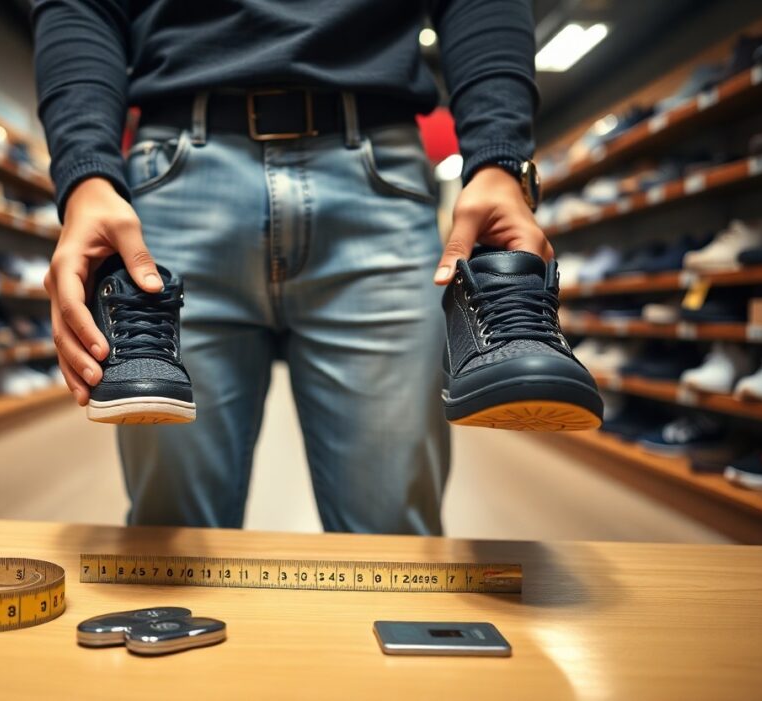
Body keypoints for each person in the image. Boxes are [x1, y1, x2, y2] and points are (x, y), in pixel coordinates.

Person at [32, 0, 551, 533]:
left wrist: (498, 157)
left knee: (394, 540)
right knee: (171, 542)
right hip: (177, 177)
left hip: (376, 177)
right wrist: (85, 175)